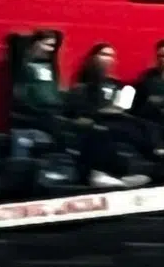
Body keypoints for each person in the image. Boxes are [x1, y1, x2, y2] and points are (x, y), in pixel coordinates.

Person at [63, 43, 150, 189]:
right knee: (102, 130)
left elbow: (124, 108)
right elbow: (76, 111)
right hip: (93, 122)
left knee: (144, 127)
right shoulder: (82, 87)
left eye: (110, 56)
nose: (107, 59)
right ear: (93, 59)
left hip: (119, 121)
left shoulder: (121, 86)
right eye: (103, 54)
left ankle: (132, 173)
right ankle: (98, 174)